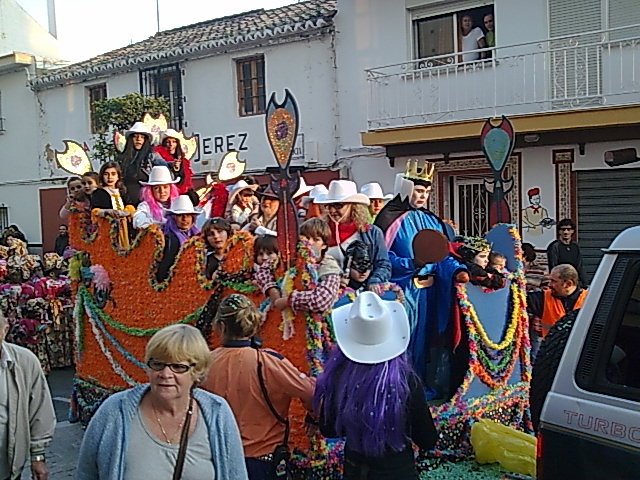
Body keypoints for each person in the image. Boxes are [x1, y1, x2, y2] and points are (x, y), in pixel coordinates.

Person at [75, 324, 248, 479]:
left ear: (197, 372)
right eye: (157, 364)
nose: (165, 374)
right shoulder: (114, 411)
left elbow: (236, 475)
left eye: (178, 367)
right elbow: (86, 474)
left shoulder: (218, 413)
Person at [314, 292, 438, 479]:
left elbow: (329, 429)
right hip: (397, 470)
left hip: (355, 468)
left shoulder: (338, 377)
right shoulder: (406, 381)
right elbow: (427, 439)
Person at [374, 159, 466, 400]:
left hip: (431, 293)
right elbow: (382, 259)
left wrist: (458, 270)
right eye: (418, 190)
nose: (423, 195)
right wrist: (410, 264)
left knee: (428, 344)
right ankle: (397, 389)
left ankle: (422, 388)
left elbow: (444, 255)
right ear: (406, 188)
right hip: (404, 291)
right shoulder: (389, 219)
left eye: (426, 191)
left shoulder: (433, 220)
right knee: (403, 341)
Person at [201, 294, 315, 479]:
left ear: (220, 327)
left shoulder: (206, 363)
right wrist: (313, 417)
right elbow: (310, 391)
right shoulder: (268, 361)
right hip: (264, 460)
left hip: (218, 458)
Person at [0, 309, 56, 480]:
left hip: (6, 468)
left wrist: (37, 457)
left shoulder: (25, 361)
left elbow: (39, 408)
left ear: (5, 329)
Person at [315, 180, 391, 292]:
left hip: (363, 294)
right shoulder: (319, 232)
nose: (332, 211)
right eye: (329, 206)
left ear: (353, 206)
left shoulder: (372, 233)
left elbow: (383, 264)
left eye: (338, 206)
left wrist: (374, 281)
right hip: (327, 295)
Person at [258, 218, 342, 314]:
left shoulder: (329, 266)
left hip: (312, 323)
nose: (309, 242)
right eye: (306, 237)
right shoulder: (292, 256)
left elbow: (322, 300)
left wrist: (288, 300)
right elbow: (264, 269)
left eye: (316, 240)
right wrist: (272, 290)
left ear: (324, 246)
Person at [527, 264, 587, 341]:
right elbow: (519, 300)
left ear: (568, 284)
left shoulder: (589, 300)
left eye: (553, 281)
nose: (549, 285)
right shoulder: (543, 298)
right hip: (551, 350)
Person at [156, 195, 201, 282]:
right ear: (173, 218)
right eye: (180, 215)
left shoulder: (197, 235)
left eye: (188, 215)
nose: (185, 219)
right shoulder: (167, 237)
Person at [91, 161, 133, 249]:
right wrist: (106, 211)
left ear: (118, 176)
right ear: (102, 176)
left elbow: (130, 206)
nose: (110, 177)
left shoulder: (122, 191)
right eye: (106, 174)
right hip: (108, 229)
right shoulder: (98, 193)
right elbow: (95, 210)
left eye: (113, 174)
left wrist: (126, 212)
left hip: (125, 227)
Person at [117, 121, 156, 206]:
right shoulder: (122, 159)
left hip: (147, 203)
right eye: (135, 136)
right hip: (125, 202)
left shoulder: (152, 158)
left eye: (142, 137)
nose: (138, 139)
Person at [132, 165, 180, 230]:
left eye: (165, 187)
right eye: (156, 188)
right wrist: (160, 225)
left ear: (171, 188)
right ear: (150, 191)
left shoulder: (178, 203)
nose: (162, 191)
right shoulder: (145, 206)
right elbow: (138, 222)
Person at [153, 129, 194, 196]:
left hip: (181, 194)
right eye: (168, 142)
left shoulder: (183, 161)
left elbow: (187, 180)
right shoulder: (158, 158)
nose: (171, 144)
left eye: (174, 141)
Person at [546, 219, 587, 286]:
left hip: (574, 281)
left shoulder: (575, 246)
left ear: (572, 231)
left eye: (568, 229)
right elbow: (553, 266)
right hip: (561, 282)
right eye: (563, 229)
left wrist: (584, 283)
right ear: (559, 231)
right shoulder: (555, 246)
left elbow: (580, 266)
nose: (566, 232)